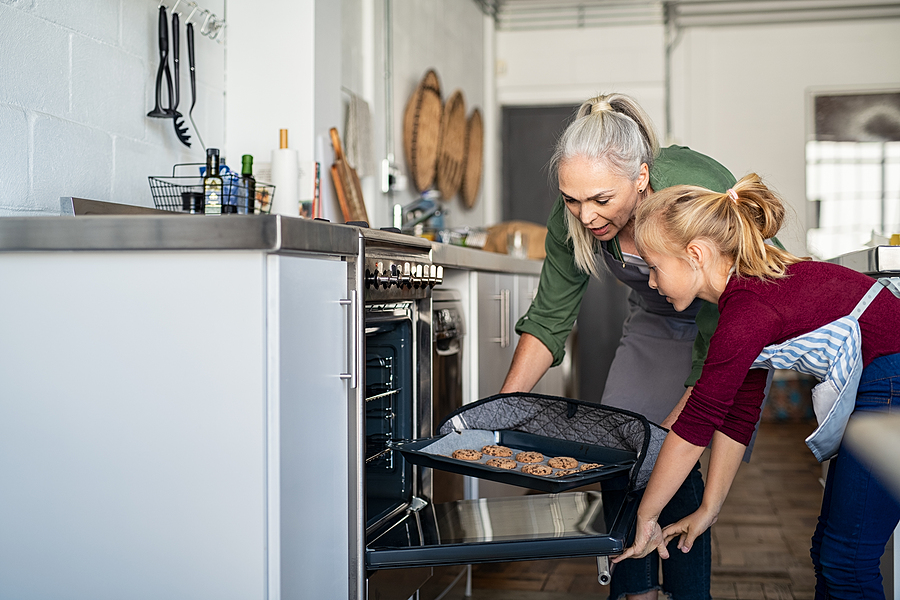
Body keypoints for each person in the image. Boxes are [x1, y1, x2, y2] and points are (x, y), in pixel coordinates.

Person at [616, 174, 900, 599]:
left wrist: (646, 515)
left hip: (891, 381)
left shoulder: (747, 310)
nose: (652, 283)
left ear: (695, 254)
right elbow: (740, 412)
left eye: (655, 268)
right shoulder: (743, 297)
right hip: (884, 378)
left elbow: (696, 425)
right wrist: (708, 509)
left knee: (846, 561)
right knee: (831, 554)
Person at [500, 92, 738, 600]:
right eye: (572, 199)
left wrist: (679, 422)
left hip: (728, 313)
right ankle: (634, 592)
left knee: (674, 448)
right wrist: (502, 408)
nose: (585, 216)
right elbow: (548, 319)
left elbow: (734, 302)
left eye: (602, 201)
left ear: (643, 179)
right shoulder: (573, 220)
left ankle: (688, 592)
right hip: (657, 318)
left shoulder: (688, 190)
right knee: (620, 444)